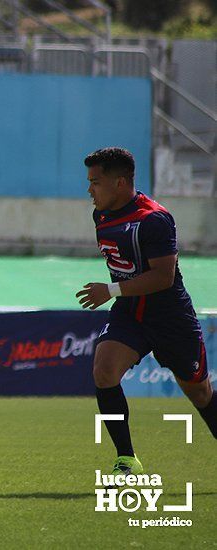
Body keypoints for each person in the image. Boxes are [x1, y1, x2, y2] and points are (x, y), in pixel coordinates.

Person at [76, 147, 216, 479]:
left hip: (170, 316)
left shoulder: (153, 219)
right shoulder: (102, 216)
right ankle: (127, 461)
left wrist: (108, 291)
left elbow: (163, 277)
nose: (89, 190)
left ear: (120, 183)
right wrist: (117, 294)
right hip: (130, 312)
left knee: (200, 393)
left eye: (95, 182)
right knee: (104, 372)